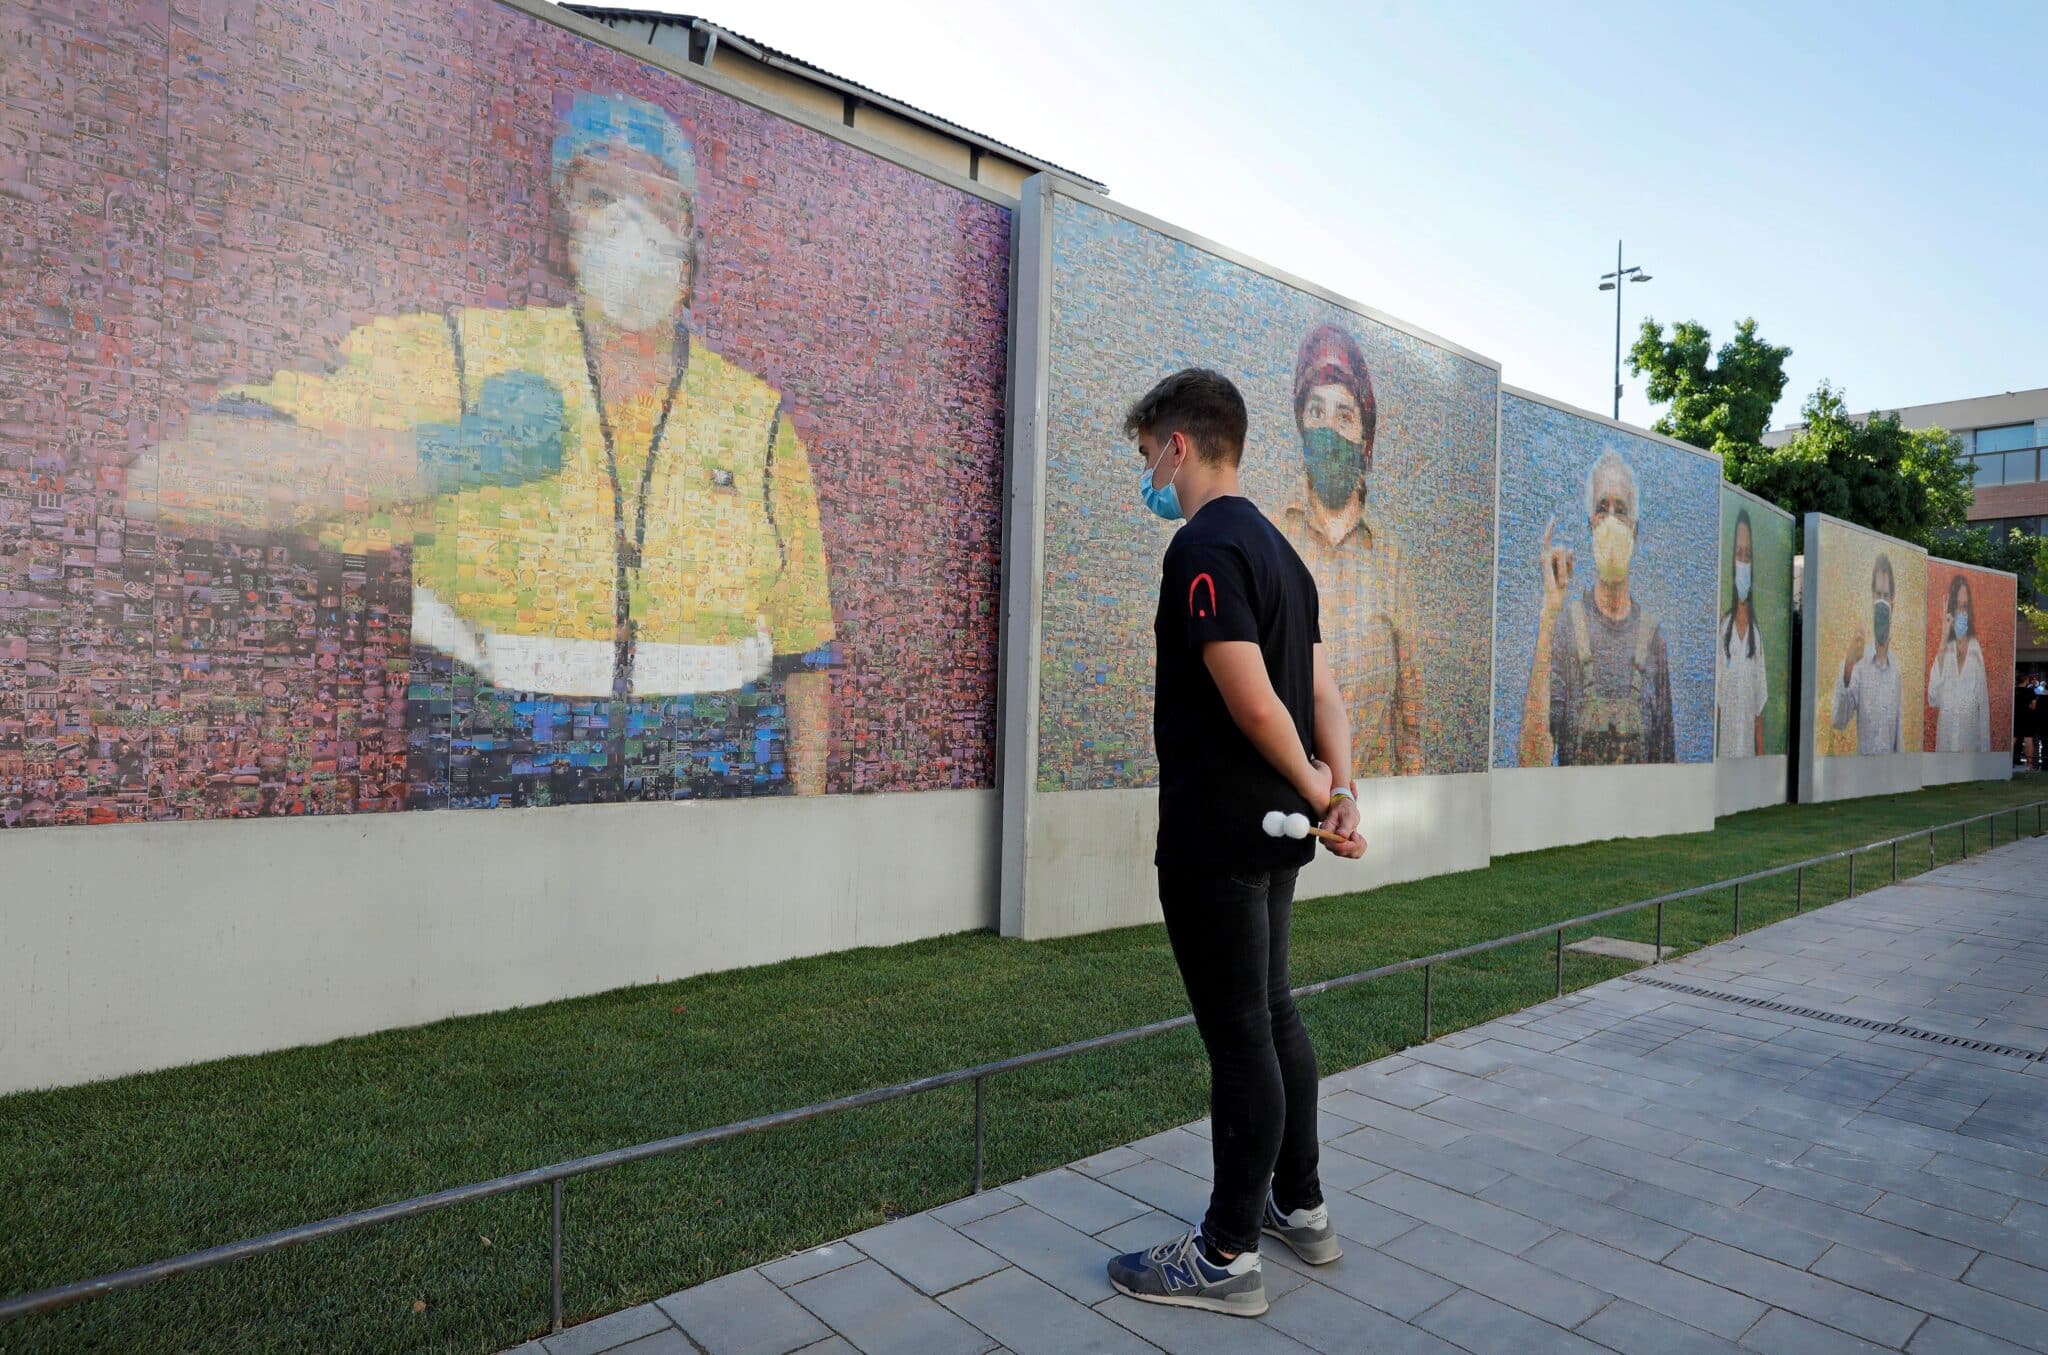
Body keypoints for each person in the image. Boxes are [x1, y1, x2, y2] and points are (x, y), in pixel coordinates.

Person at [131, 93, 836, 802]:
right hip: (497, 816)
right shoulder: (467, 358)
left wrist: (807, 834)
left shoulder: (756, 418)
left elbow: (804, 657)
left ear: (690, 241)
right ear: (562, 224)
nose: (633, 226)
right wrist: (453, 452)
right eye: (601, 195)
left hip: (716, 826)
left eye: (659, 205)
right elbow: (178, 476)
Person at [1104, 369, 1364, 1318]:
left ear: (1178, 444)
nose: (1149, 477)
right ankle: (1301, 1204)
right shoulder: (1285, 557)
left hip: (1220, 835)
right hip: (1279, 832)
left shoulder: (1202, 547)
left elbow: (1255, 698)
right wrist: (1337, 792)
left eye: (1147, 456)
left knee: (1243, 1036)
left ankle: (1224, 1254)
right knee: (1275, 1015)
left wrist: (1316, 787)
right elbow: (1325, 694)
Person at [1277, 324, 1424, 778]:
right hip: (1290, 800)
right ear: (1301, 422)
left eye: (1344, 416)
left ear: (1365, 441)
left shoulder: (1392, 559)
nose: (1327, 429)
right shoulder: (1271, 536)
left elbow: (1412, 714)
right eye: (1316, 411)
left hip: (1372, 801)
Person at [1517, 449, 1675, 766]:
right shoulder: (1566, 630)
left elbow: (1665, 760)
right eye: (1603, 509)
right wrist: (1550, 611)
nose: (1612, 520)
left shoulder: (1652, 638)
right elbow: (1531, 759)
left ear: (1635, 529)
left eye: (1622, 510)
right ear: (1591, 524)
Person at [1831, 553, 1903, 755]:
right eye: (1878, 595)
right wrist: (1848, 665)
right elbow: (1839, 720)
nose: (1882, 601)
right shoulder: (1857, 662)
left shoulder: (1896, 667)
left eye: (1886, 596)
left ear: (1893, 603)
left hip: (1891, 776)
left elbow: (1898, 737)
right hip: (1863, 774)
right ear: (1871, 597)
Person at [1716, 508, 1767, 758]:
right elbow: (1715, 706)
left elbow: (1759, 712)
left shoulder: (1756, 636)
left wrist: (1760, 767)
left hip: (1747, 759)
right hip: (1723, 759)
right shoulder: (1722, 629)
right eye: (1739, 553)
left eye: (1747, 555)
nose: (1743, 561)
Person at [1927, 575, 1990, 753]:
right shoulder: (1945, 649)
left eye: (1964, 607)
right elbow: (1933, 697)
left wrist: (1985, 753)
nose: (1961, 613)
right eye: (1957, 606)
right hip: (1946, 740)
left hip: (1970, 742)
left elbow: (1983, 704)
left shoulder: (1975, 649)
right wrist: (1943, 636)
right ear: (1950, 610)